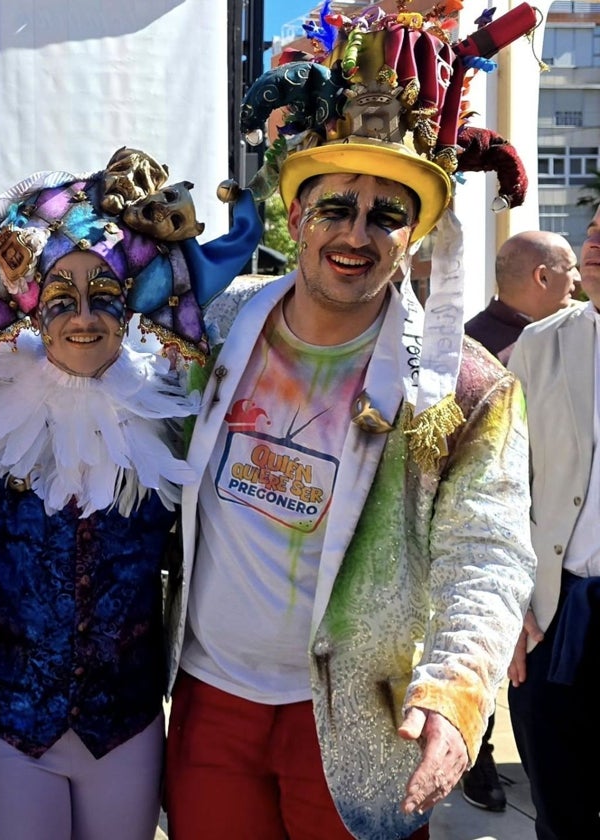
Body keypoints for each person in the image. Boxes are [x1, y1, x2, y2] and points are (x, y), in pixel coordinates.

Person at [164, 7, 539, 839]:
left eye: (387, 214)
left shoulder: (466, 386)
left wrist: (453, 692)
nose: (356, 233)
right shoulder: (218, 327)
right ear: (296, 216)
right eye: (336, 206)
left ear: (417, 235)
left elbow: (487, 554)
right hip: (210, 705)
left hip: (361, 726)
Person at [0, 149, 261, 839]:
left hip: (127, 724)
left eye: (105, 298)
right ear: (28, 310)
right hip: (7, 724)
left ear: (134, 305)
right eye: (60, 300)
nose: (84, 318)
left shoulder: (174, 410)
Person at [458, 228, 579, 813]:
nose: (577, 281)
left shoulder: (569, 340)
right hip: (499, 551)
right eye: (571, 269)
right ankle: (474, 758)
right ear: (542, 277)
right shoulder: (483, 352)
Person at [505, 205, 600, 839]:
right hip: (551, 616)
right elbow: (501, 486)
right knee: (560, 814)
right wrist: (510, 605)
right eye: (593, 230)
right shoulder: (541, 345)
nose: (594, 243)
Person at [464, 230, 581, 364]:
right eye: (570, 268)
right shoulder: (475, 355)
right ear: (543, 277)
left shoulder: (576, 326)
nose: (578, 278)